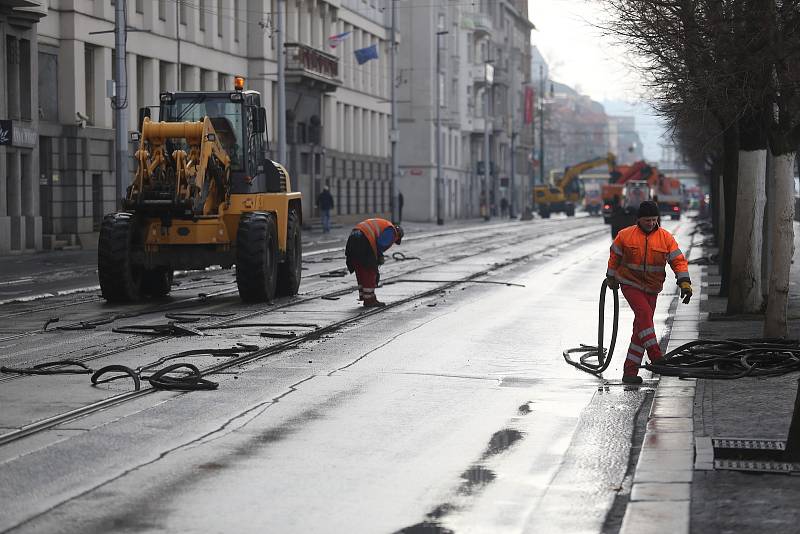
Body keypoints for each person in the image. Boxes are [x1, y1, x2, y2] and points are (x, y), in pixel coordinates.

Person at [606, 200, 692, 384]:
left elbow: (678, 261)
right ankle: (656, 356)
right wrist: (611, 276)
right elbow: (614, 257)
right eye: (647, 220)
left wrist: (684, 282)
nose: (651, 223)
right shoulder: (625, 236)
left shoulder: (666, 238)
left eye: (654, 220)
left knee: (641, 328)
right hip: (630, 284)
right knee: (644, 315)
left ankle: (630, 372)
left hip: (652, 288)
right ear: (639, 220)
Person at [345, 218, 403, 307]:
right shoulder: (392, 231)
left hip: (353, 237)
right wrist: (379, 257)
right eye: (395, 240)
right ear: (398, 234)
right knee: (370, 271)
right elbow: (380, 244)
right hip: (364, 240)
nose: (393, 241)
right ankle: (370, 300)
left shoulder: (384, 225)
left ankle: (365, 296)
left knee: (360, 269)